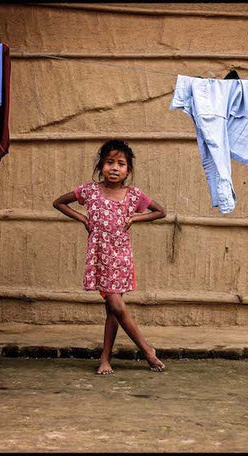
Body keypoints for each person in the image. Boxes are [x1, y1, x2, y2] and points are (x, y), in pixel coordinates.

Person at [53, 140, 166, 374]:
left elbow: (160, 211)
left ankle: (142, 352)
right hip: (100, 256)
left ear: (128, 170)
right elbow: (59, 203)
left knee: (114, 305)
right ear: (101, 166)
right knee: (113, 307)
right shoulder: (90, 191)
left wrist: (135, 218)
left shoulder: (133, 195)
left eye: (121, 164)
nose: (115, 168)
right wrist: (83, 219)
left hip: (121, 257)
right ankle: (120, 356)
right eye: (110, 162)